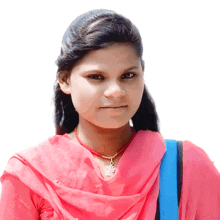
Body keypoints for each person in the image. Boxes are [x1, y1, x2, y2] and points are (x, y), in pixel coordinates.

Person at [0, 9, 219, 220]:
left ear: (142, 72)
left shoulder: (186, 165)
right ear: (65, 80)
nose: (116, 92)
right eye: (96, 77)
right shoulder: (30, 175)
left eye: (128, 75)